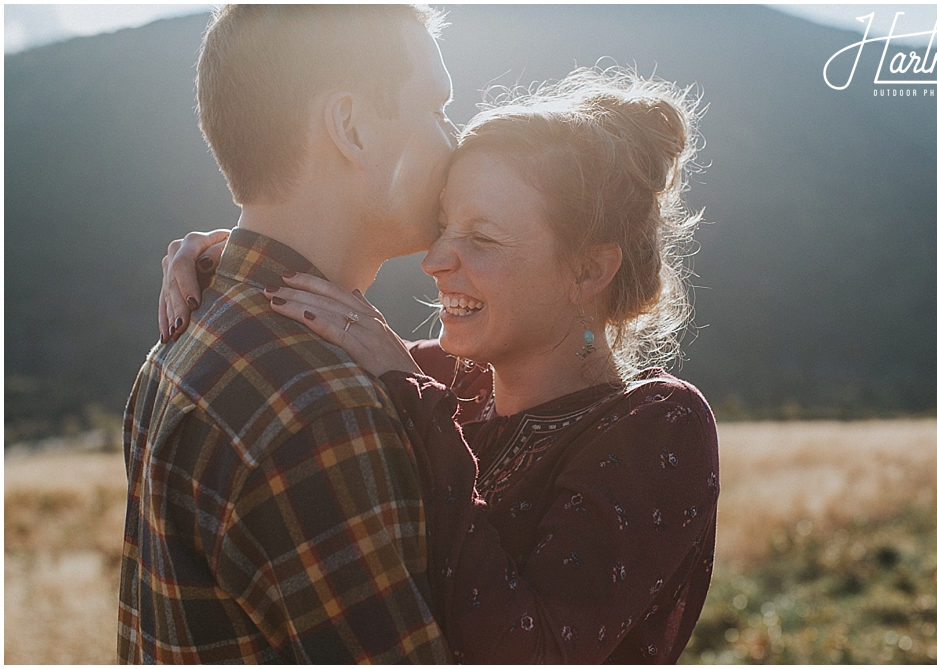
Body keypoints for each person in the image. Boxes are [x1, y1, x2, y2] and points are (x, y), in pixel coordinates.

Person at [162, 67, 720, 663]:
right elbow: (343, 338)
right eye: (444, 224)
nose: (434, 259)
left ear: (589, 270)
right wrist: (239, 262)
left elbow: (530, 652)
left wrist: (412, 395)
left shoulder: (660, 424)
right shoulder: (453, 379)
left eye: (481, 237)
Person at [120, 5, 459, 663]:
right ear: (351, 128)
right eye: (439, 110)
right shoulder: (319, 406)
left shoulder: (181, 340)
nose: (455, 138)